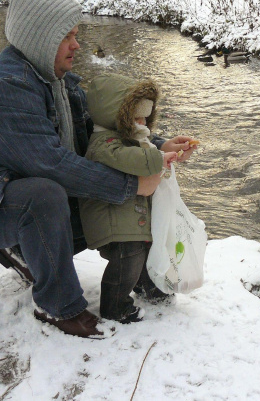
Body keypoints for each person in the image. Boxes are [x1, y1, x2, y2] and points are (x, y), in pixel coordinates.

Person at [0, 0, 196, 338]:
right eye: (67, 36)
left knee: (97, 208)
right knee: (45, 197)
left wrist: (157, 147)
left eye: (76, 34)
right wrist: (132, 184)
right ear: (39, 39)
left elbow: (96, 131)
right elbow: (49, 164)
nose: (77, 45)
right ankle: (58, 306)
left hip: (7, 190)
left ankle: (20, 248)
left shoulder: (58, 80)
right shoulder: (5, 87)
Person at [79, 73, 197, 323]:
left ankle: (150, 287)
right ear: (117, 114)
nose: (143, 122)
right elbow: (130, 158)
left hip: (130, 218)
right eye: (137, 117)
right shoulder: (103, 143)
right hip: (113, 220)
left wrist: (166, 148)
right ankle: (114, 305)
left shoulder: (129, 136)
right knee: (128, 260)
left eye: (146, 116)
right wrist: (158, 158)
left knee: (146, 251)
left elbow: (146, 147)